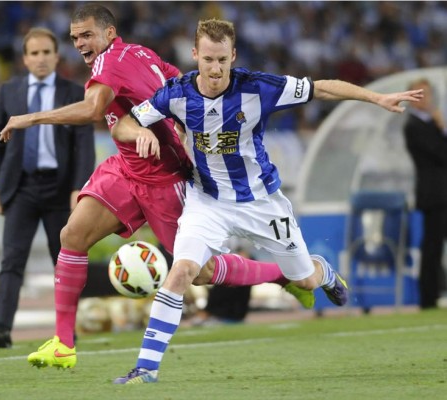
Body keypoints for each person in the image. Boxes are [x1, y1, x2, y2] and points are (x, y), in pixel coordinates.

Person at [0, 4, 314, 368]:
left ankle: (282, 275)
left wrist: (30, 118)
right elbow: (177, 77)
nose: (80, 43)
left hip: (166, 178)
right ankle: (63, 344)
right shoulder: (142, 53)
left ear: (109, 34)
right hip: (127, 169)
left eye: (87, 35)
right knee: (72, 235)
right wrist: (164, 123)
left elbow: (91, 110)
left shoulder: (109, 63)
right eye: (75, 38)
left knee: (202, 273)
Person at [112, 18, 424, 384]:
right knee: (183, 271)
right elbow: (123, 124)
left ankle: (319, 270)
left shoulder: (258, 87)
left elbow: (321, 89)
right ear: (195, 55)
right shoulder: (176, 93)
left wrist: (376, 97)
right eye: (208, 59)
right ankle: (145, 369)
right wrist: (140, 133)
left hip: (262, 203)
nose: (215, 69)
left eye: (222, 60)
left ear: (234, 56)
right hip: (208, 201)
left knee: (304, 281)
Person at [0, 27, 95, 348]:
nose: (41, 59)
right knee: (12, 260)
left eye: (47, 52)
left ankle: (67, 331)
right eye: (34, 53)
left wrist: (80, 186)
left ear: (57, 56)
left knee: (64, 261)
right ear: (25, 58)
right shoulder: (9, 92)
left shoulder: (74, 92)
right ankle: (1, 329)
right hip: (20, 188)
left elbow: (84, 143)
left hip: (61, 190)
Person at [403, 78, 447, 309]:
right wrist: (443, 128)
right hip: (434, 194)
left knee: (434, 246)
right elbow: (441, 154)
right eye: (419, 94)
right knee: (432, 247)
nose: (425, 99)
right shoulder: (413, 126)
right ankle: (428, 298)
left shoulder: (428, 122)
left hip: (441, 192)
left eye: (427, 94)